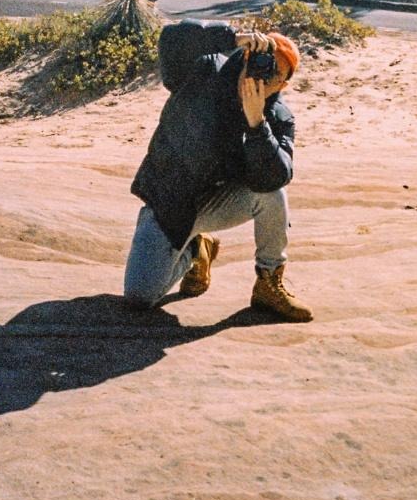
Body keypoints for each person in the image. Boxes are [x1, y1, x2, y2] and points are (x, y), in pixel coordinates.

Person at [123, 20, 312, 322]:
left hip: (217, 204)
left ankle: (268, 282)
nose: (263, 78)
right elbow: (171, 40)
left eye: (275, 75)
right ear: (249, 56)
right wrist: (232, 37)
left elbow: (277, 175)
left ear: (283, 85)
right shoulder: (205, 70)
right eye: (262, 64)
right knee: (139, 297)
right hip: (170, 201)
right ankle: (197, 249)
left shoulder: (278, 117)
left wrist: (256, 125)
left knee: (273, 195)